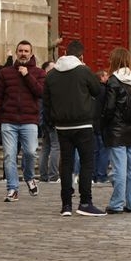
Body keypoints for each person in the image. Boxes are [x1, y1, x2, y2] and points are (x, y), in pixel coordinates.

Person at [43, 40, 104, 216]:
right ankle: (85, 202)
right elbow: (97, 90)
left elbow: (46, 101)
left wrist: (51, 121)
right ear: (81, 56)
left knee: (66, 164)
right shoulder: (83, 71)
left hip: (61, 126)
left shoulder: (52, 75)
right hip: (83, 123)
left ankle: (66, 205)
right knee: (86, 163)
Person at [0, 40, 47, 202]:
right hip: (8, 120)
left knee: (30, 152)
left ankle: (29, 177)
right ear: (16, 53)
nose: (23, 53)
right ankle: (12, 189)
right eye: (20, 51)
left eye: (26, 51)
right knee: (9, 155)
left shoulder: (39, 73)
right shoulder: (5, 73)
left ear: (31, 53)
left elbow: (41, 92)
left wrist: (27, 75)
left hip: (29, 120)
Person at [101, 47, 131, 214]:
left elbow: (110, 107)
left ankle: (117, 203)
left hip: (117, 130)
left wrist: (103, 122)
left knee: (119, 168)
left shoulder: (113, 80)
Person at [37, 61, 60, 182]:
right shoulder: (51, 83)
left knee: (46, 147)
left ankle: (44, 175)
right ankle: (53, 175)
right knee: (55, 147)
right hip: (51, 120)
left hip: (44, 119)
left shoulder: (42, 83)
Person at [92, 69, 112, 184]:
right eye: (106, 76)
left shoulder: (93, 90)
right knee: (104, 151)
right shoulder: (104, 90)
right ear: (101, 78)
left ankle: (94, 175)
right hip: (102, 124)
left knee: (95, 151)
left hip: (93, 123)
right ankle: (101, 175)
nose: (108, 77)